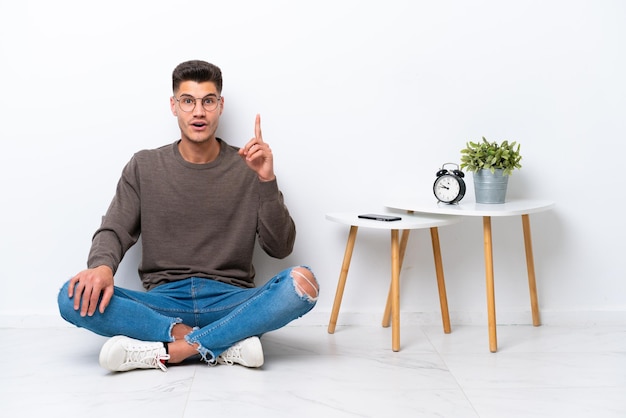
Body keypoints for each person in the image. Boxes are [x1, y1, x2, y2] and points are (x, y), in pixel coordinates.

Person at [58, 60, 319, 372]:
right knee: (70, 296)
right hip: (164, 304)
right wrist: (101, 268)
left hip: (231, 302)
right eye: (188, 101)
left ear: (220, 106)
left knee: (304, 283)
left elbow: (280, 247)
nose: (198, 112)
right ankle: (221, 343)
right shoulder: (144, 166)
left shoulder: (249, 166)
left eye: (208, 101)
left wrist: (266, 180)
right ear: (174, 106)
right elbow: (114, 228)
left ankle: (174, 351)